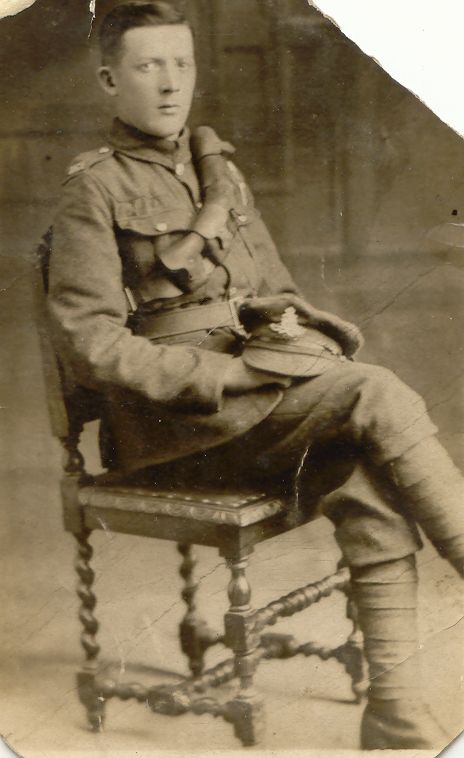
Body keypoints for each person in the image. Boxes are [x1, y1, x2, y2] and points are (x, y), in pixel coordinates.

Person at [47, 1, 463, 750]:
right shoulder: (93, 192)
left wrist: (298, 334)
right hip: (175, 432)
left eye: (182, 64)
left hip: (256, 407)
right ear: (110, 80)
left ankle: (395, 714)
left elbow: (276, 286)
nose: (170, 84)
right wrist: (224, 378)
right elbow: (92, 347)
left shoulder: (220, 176)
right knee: (375, 392)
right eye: (148, 67)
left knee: (363, 472)